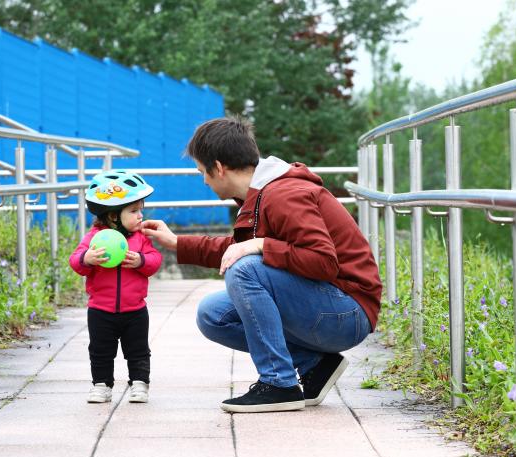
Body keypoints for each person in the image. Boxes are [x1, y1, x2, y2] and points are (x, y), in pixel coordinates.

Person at [142, 117, 381, 413]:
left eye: (203, 172)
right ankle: (315, 365)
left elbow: (323, 261)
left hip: (348, 313)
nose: (204, 180)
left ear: (218, 168)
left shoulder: (283, 195)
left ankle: (279, 384)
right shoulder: (260, 194)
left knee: (243, 269)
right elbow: (237, 248)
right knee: (213, 314)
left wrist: (260, 244)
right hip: (327, 305)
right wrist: (178, 243)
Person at [69, 170, 162, 404]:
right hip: (101, 310)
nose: (140, 215)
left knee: (138, 350)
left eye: (141, 209)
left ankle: (140, 384)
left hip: (135, 310)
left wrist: (141, 260)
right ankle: (101, 385)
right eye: (133, 211)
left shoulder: (140, 238)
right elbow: (76, 261)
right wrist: (87, 259)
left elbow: (155, 261)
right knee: (100, 351)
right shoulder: (94, 237)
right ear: (112, 216)